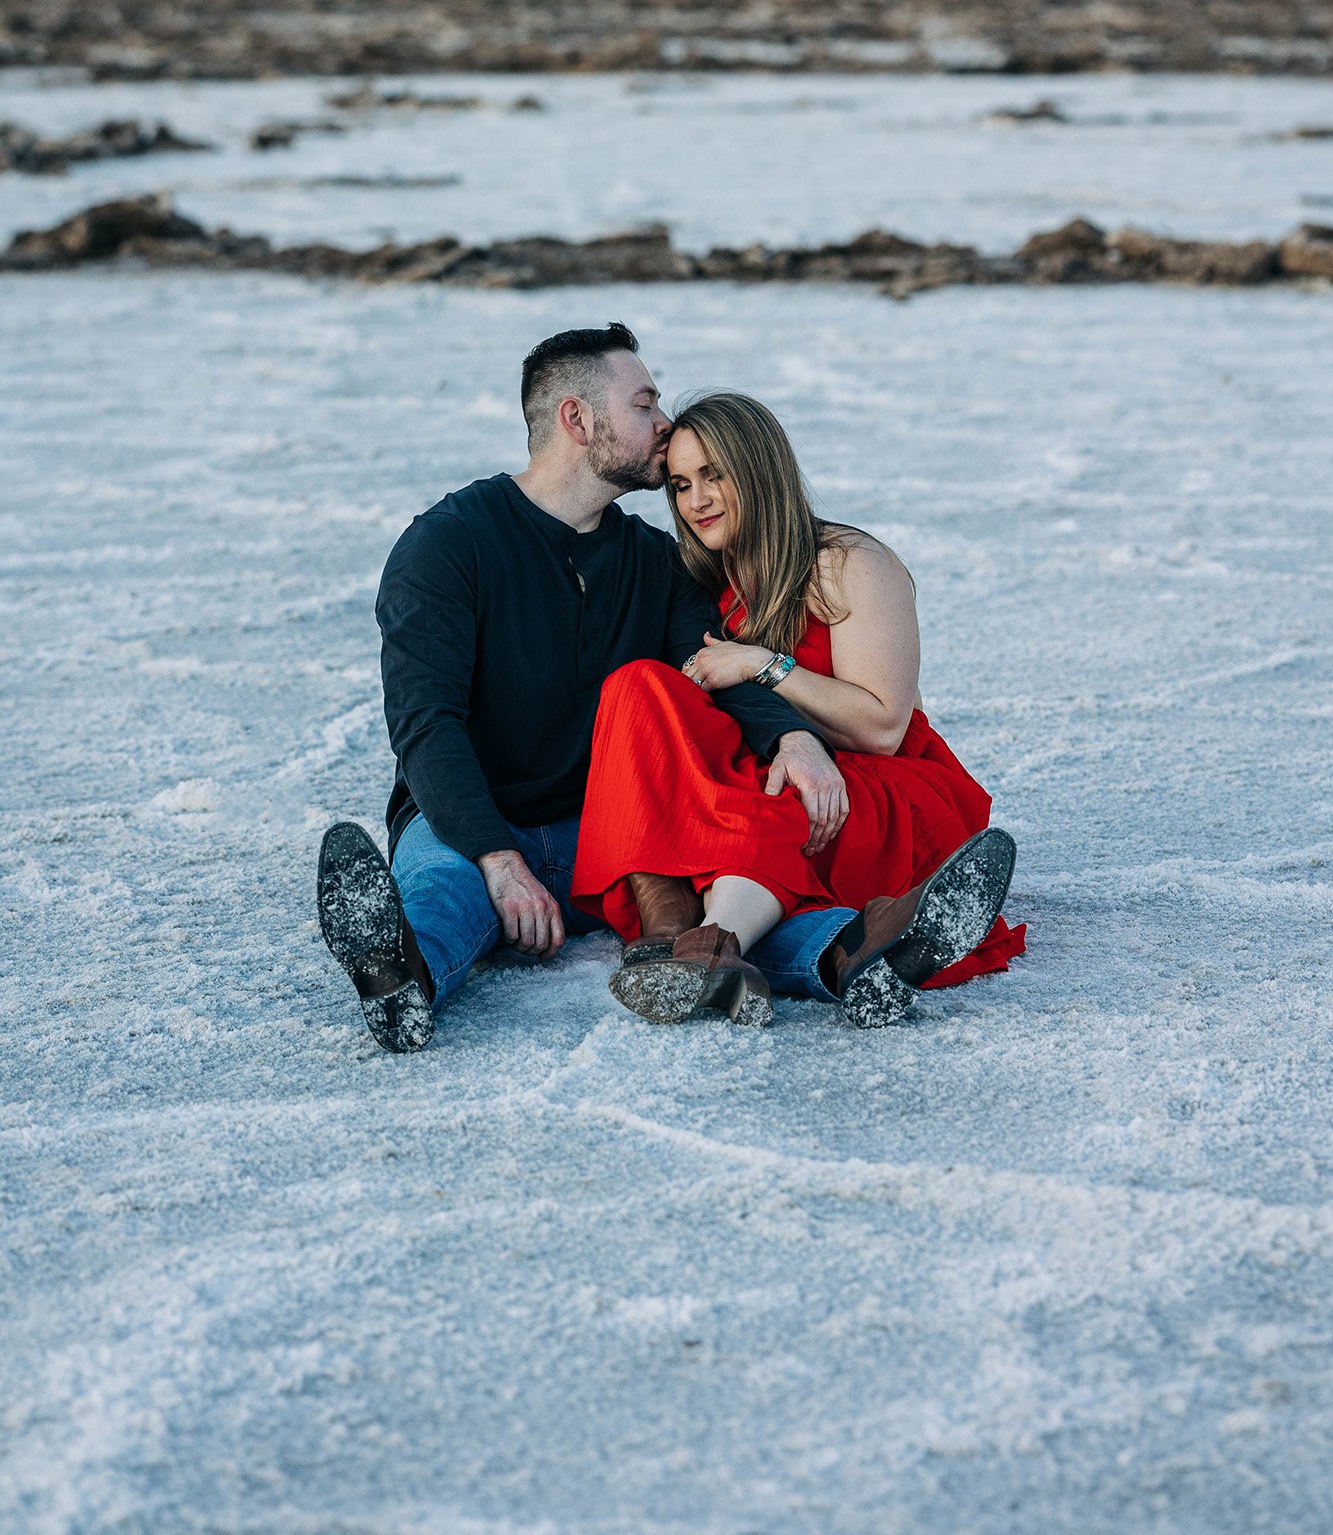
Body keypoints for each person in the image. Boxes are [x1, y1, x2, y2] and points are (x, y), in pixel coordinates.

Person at [315, 324, 843, 1050]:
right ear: (577, 419)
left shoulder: (652, 561)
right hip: (471, 822)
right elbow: (424, 723)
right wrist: (500, 862)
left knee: (719, 917)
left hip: (613, 832)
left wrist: (793, 736)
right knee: (442, 897)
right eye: (644, 405)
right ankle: (398, 979)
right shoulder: (448, 545)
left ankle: (855, 953)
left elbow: (713, 669)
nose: (665, 426)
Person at [570, 391, 1026, 1028]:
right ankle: (828, 945)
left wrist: (762, 663)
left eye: (714, 475)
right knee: (641, 692)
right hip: (784, 786)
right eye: (679, 484)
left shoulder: (847, 563)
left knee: (766, 794)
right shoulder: (704, 582)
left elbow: (882, 727)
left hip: (873, 789)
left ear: (759, 469)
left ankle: (713, 943)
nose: (695, 499)